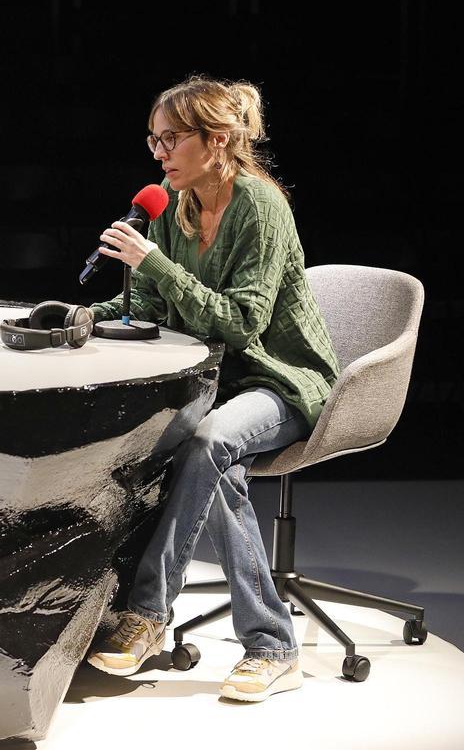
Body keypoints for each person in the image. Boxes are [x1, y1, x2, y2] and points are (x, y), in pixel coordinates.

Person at [83, 76, 340, 702]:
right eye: (154, 139)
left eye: (171, 138)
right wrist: (85, 315)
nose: (159, 152)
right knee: (206, 464)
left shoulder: (260, 207)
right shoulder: (174, 207)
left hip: (281, 380)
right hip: (215, 386)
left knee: (207, 443)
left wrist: (154, 262)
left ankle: (148, 612)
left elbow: (243, 323)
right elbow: (149, 305)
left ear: (217, 139)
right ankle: (273, 645)